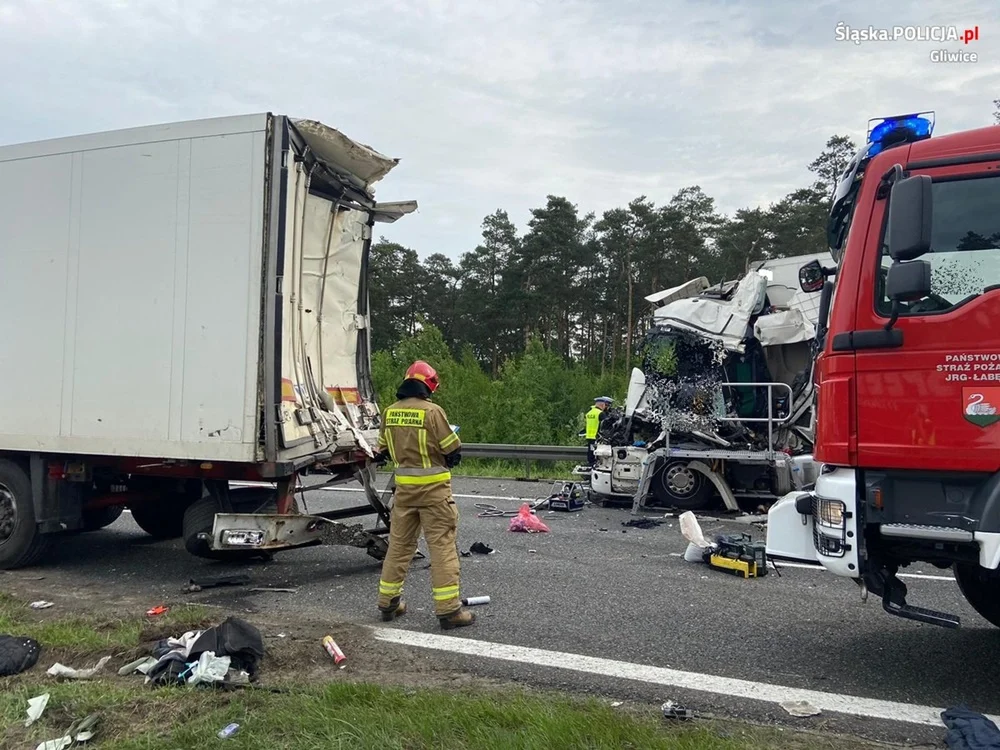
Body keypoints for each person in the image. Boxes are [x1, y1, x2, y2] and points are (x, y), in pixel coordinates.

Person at [372, 360, 474, 630]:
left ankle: (388, 603)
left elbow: (381, 450)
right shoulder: (432, 412)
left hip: (404, 493)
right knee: (441, 547)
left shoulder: (389, 412)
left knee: (399, 546)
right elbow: (452, 448)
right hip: (434, 493)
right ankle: (449, 610)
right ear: (429, 385)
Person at [585, 396, 613, 466]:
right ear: (602, 405)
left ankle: (590, 463)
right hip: (596, 436)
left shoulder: (589, 413)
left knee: (590, 451)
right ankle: (595, 464)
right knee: (596, 452)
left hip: (589, 435)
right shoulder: (600, 413)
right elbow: (607, 423)